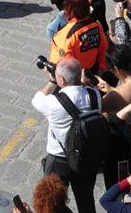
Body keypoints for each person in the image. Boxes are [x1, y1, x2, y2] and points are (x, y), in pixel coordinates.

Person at [31, 56, 104, 213]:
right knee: (86, 200)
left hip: (59, 159)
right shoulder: (95, 96)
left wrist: (51, 81)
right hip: (86, 157)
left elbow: (36, 100)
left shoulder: (53, 103)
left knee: (52, 202)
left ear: (62, 80)